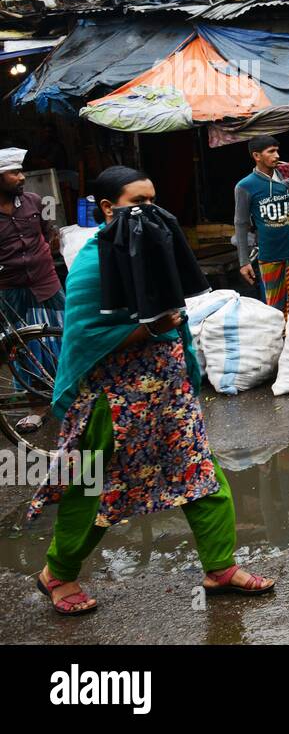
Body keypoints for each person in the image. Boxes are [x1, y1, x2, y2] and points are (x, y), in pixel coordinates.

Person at [28, 166, 274, 616]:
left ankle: (219, 568)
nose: (150, 211)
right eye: (137, 202)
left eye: (154, 200)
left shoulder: (155, 248)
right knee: (94, 488)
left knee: (200, 475)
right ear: (107, 208)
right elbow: (85, 337)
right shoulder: (92, 260)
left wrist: (173, 344)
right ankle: (57, 573)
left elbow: (175, 315)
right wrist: (150, 330)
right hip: (114, 401)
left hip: (166, 393)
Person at [0, 148, 64, 434]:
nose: (22, 177)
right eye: (14, 173)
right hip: (11, 289)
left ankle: (70, 396)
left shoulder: (34, 201)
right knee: (22, 347)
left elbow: (50, 232)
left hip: (45, 281)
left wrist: (48, 253)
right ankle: (37, 406)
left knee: (62, 335)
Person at [234, 136, 289, 316]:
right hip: (270, 256)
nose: (277, 155)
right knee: (276, 309)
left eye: (277, 150)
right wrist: (244, 262)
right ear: (257, 156)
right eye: (271, 151)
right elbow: (241, 224)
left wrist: (286, 184)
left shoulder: (286, 173)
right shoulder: (245, 186)